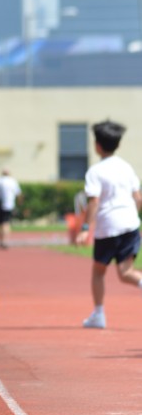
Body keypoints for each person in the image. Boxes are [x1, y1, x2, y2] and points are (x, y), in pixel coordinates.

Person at [75, 120, 142, 329]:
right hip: (130, 224)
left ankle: (98, 314)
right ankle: (98, 314)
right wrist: (133, 217)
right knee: (126, 272)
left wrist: (85, 228)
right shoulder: (126, 167)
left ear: (97, 145)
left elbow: (93, 202)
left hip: (108, 227)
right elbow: (138, 198)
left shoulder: (95, 171)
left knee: (98, 271)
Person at [0, 168, 22, 249]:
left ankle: (1, 240)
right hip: (9, 205)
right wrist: (19, 204)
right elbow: (18, 193)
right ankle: (5, 240)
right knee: (6, 223)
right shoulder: (13, 181)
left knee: (0, 223)